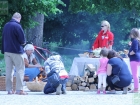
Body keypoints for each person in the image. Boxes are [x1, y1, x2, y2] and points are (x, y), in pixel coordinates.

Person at [1, 12, 27, 95]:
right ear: (19, 18)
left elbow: (3, 38)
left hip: (6, 51)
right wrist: (23, 43)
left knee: (9, 70)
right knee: (20, 69)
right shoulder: (17, 26)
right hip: (16, 51)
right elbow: (22, 41)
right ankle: (19, 90)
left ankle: (9, 90)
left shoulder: (6, 25)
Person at [128, 28, 140, 93]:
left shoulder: (135, 40)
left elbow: (135, 50)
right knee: (136, 74)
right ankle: (136, 88)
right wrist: (130, 45)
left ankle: (136, 88)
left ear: (133, 34)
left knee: (135, 75)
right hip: (138, 58)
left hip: (134, 59)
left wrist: (129, 53)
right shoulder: (138, 41)